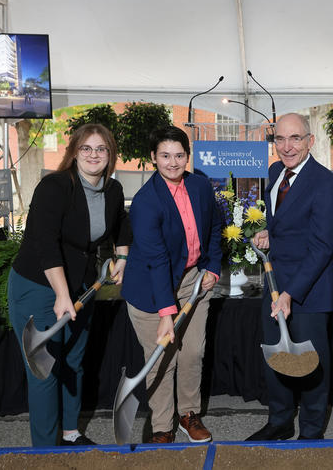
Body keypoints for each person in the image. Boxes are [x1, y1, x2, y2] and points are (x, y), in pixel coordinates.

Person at [8, 123, 131, 447]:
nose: (94, 155)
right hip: (38, 285)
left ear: (110, 155)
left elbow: (122, 225)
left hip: (80, 287)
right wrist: (61, 294)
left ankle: (70, 434)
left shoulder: (112, 190)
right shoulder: (54, 187)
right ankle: (46, 451)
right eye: (86, 148)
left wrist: (122, 258)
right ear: (74, 151)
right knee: (45, 370)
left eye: (101, 149)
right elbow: (44, 243)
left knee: (73, 362)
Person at [121, 125, 221, 444]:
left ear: (188, 157)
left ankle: (187, 415)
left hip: (192, 280)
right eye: (165, 156)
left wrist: (212, 268)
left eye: (179, 155)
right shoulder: (146, 202)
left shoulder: (201, 187)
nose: (173, 163)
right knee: (163, 358)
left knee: (192, 353)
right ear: (153, 157)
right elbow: (156, 261)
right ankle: (162, 425)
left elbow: (217, 228)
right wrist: (167, 311)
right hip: (152, 289)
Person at [248, 113, 333, 441]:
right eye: (280, 139)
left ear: (310, 141)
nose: (287, 147)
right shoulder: (275, 172)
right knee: (277, 353)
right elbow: (284, 223)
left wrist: (291, 293)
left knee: (311, 362)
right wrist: (267, 233)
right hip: (275, 283)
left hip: (309, 289)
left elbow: (321, 248)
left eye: (295, 139)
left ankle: (313, 431)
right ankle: (280, 421)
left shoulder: (325, 183)